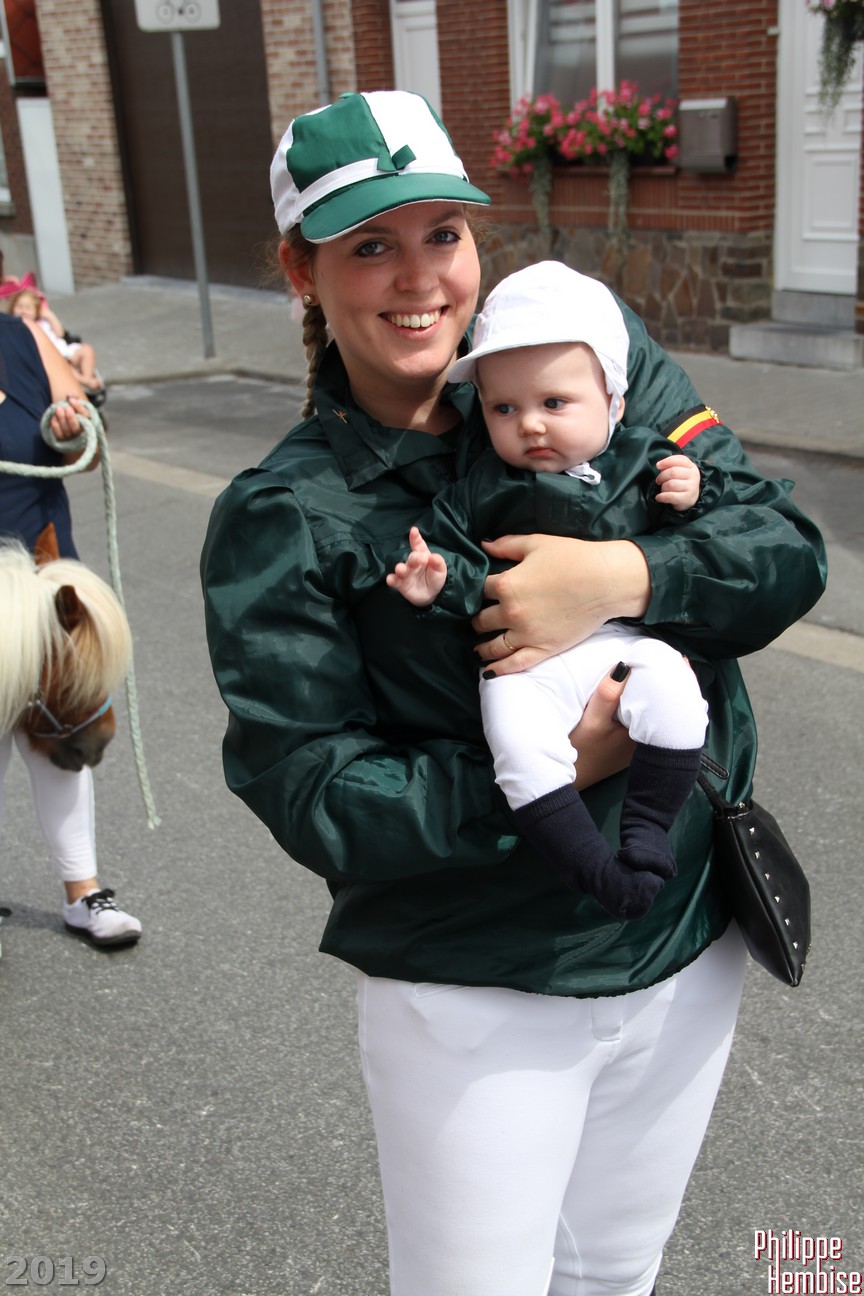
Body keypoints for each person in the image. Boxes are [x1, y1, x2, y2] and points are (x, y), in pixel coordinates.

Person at [201, 91, 826, 1296]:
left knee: (618, 1276)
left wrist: (625, 576)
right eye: (369, 245)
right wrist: (549, 772)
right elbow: (310, 787)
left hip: (686, 941)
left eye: (443, 233)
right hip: (479, 990)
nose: (419, 278)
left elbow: (785, 550)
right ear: (301, 270)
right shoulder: (286, 511)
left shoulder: (577, 343)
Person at [386, 261, 718, 920]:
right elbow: (451, 550)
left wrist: (695, 492)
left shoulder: (643, 462)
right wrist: (437, 583)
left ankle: (647, 836)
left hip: (622, 643)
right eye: (504, 408)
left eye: (554, 404)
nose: (530, 425)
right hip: (523, 666)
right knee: (519, 753)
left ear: (614, 404)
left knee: (678, 698)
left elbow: (712, 539)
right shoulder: (481, 486)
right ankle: (596, 870)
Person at [0, 310, 141, 947]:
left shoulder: (23, 337)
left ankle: (84, 894)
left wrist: (71, 428)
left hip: (46, 572)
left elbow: (88, 444)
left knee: (64, 732)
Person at [6, 286, 103, 394]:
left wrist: (50, 316)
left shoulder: (43, 322)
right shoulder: (16, 328)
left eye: (28, 308)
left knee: (87, 349)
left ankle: (86, 379)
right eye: (19, 307)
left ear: (37, 310)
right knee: (64, 366)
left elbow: (60, 333)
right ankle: (86, 382)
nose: (23, 311)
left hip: (63, 350)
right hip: (48, 358)